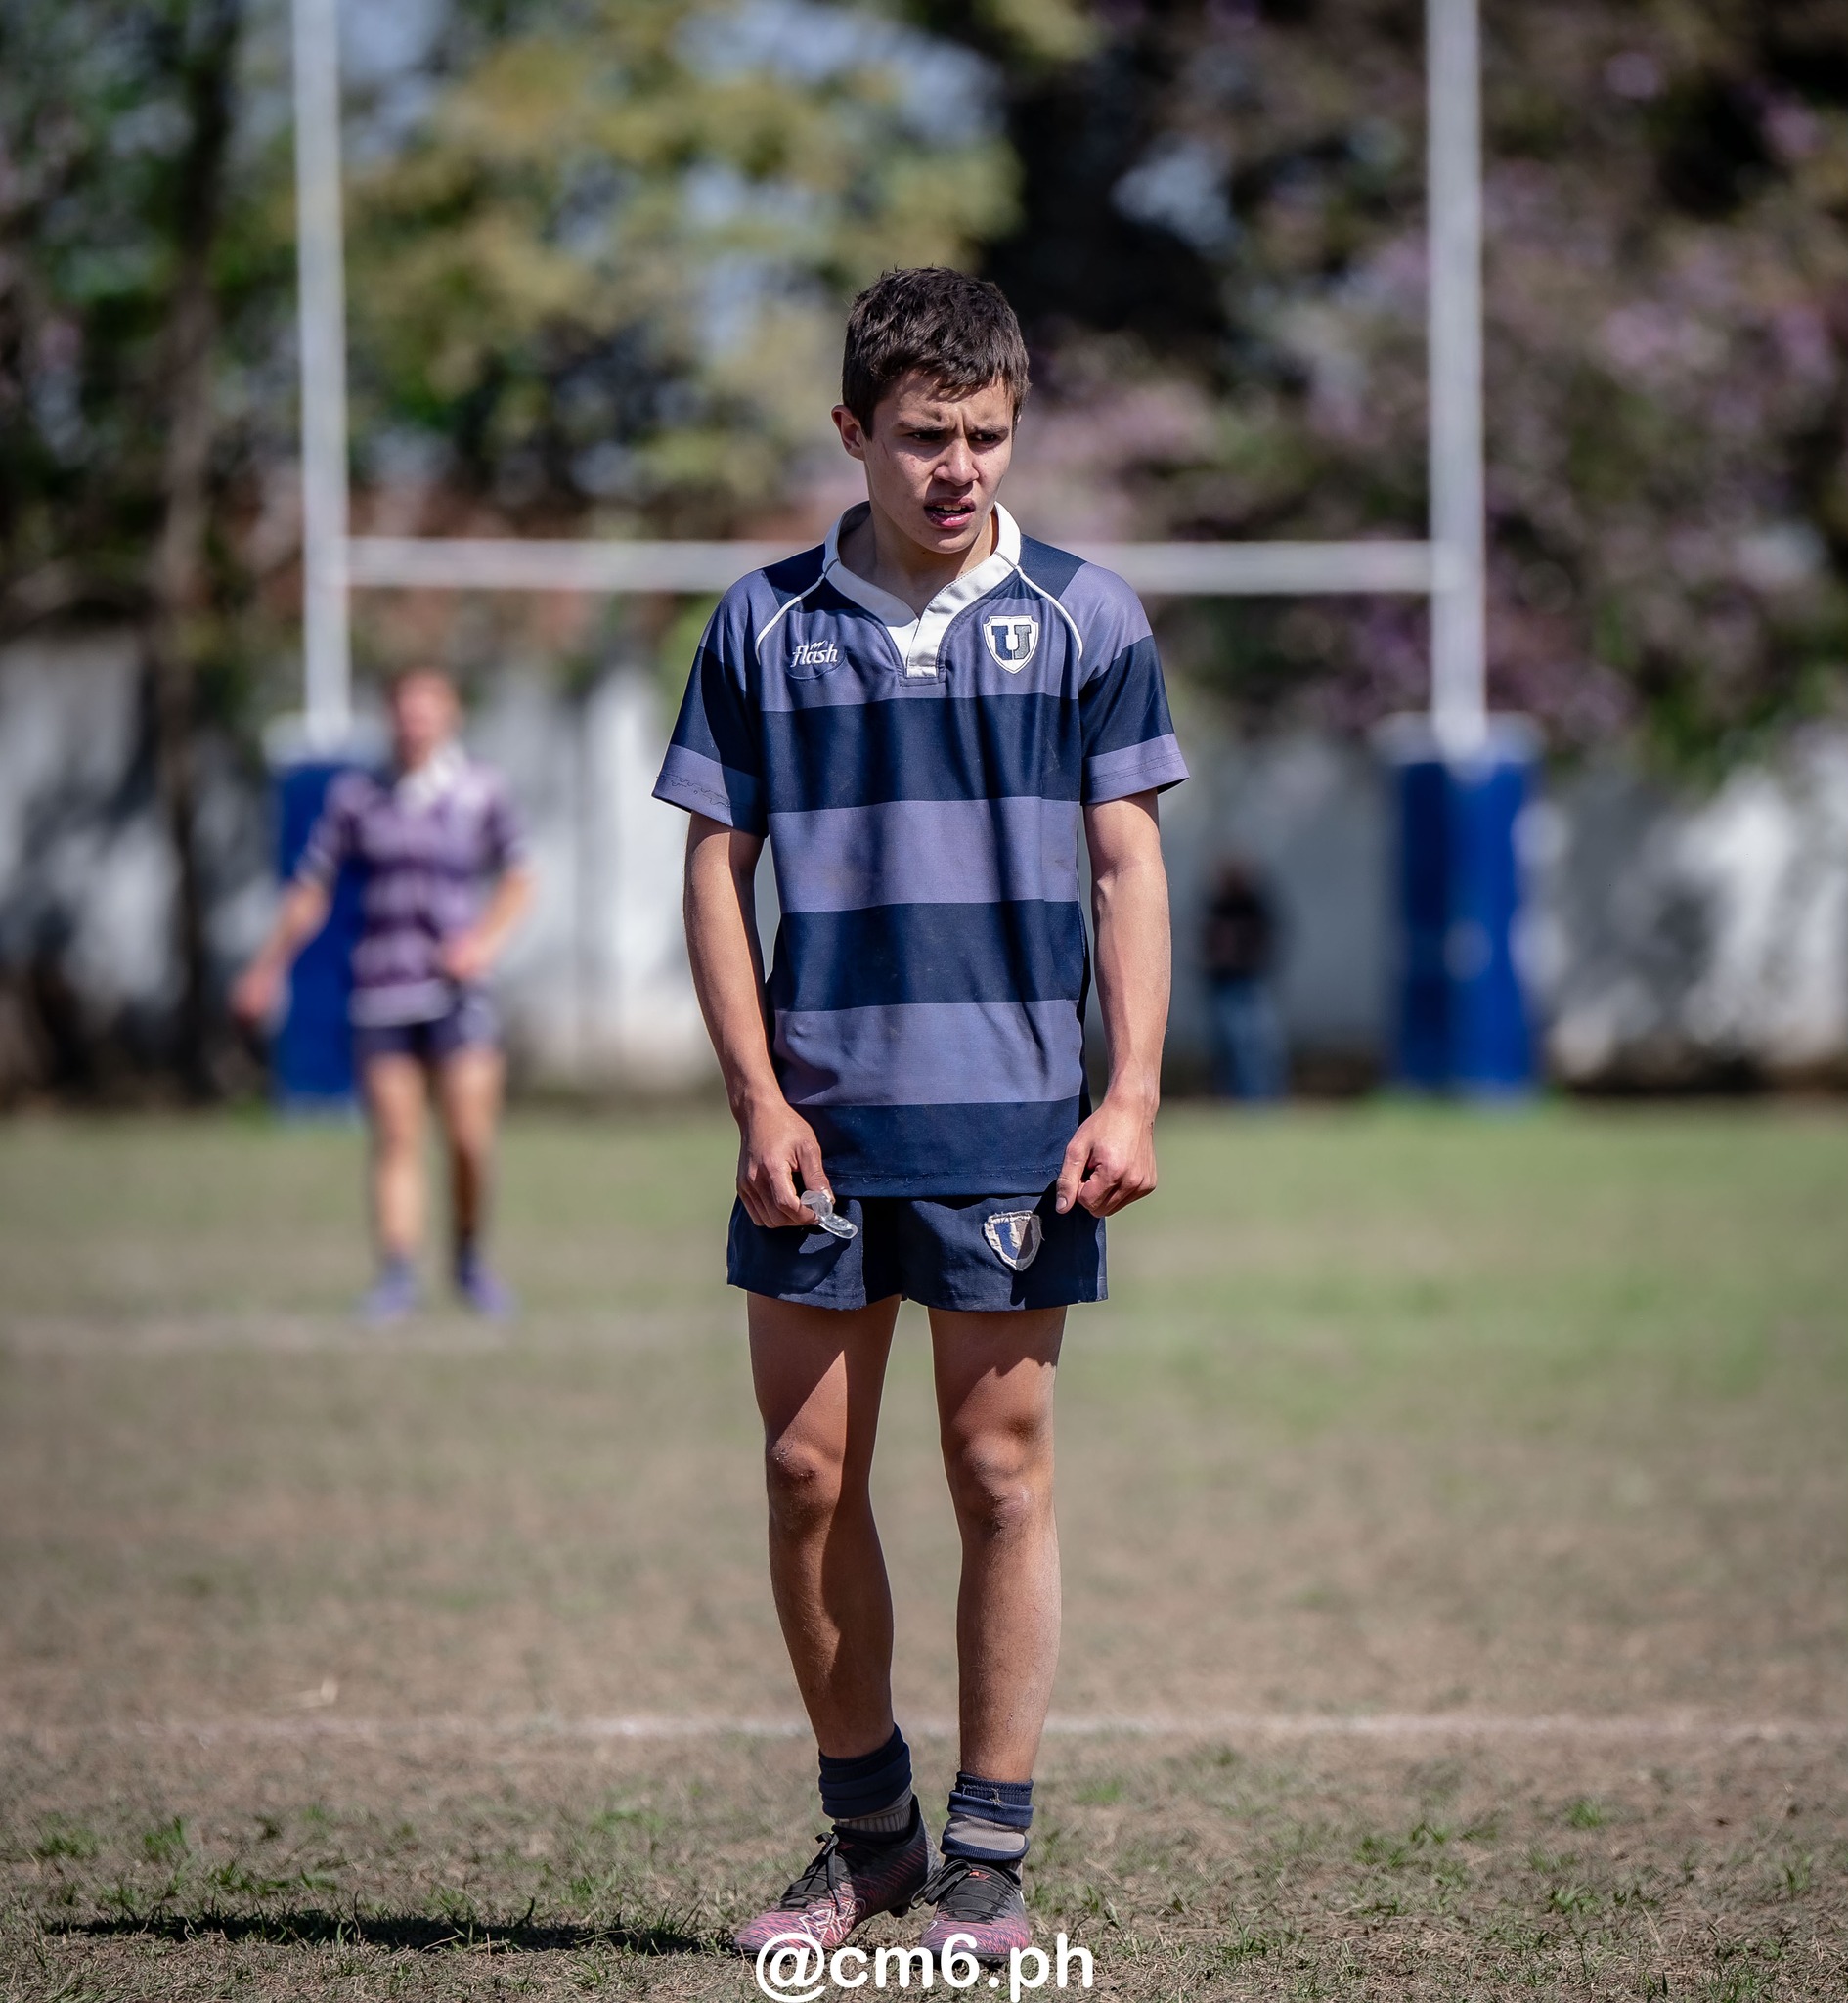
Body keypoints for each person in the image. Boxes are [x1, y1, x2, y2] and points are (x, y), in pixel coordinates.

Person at [653, 267, 1186, 1963]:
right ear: (853, 432)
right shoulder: (762, 623)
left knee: (997, 1470)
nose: (960, 468)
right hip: (813, 1120)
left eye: (987, 436)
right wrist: (753, 1096)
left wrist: (1133, 1086)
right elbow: (714, 862)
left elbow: (1127, 856)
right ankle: (869, 1831)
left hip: (1016, 1121)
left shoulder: (1091, 618)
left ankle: (988, 1859)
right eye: (925, 437)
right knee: (807, 1471)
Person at [233, 667, 533, 1322]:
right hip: (381, 990)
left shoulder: (481, 790)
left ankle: (468, 1259)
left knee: (468, 1140)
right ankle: (397, 1272)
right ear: (390, 716)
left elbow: (520, 877)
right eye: (404, 709)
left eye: (427, 709)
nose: (414, 721)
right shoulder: (355, 796)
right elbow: (310, 888)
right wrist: (266, 967)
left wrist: (482, 942)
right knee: (396, 1138)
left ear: (450, 715)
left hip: (462, 993)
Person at [1202, 858, 1288, 1100]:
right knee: (1231, 1046)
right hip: (1224, 984)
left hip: (1251, 982)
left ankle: (1264, 1098)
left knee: (1261, 1046)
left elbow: (1268, 939)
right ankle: (1238, 1098)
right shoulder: (1217, 906)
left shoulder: (1253, 905)